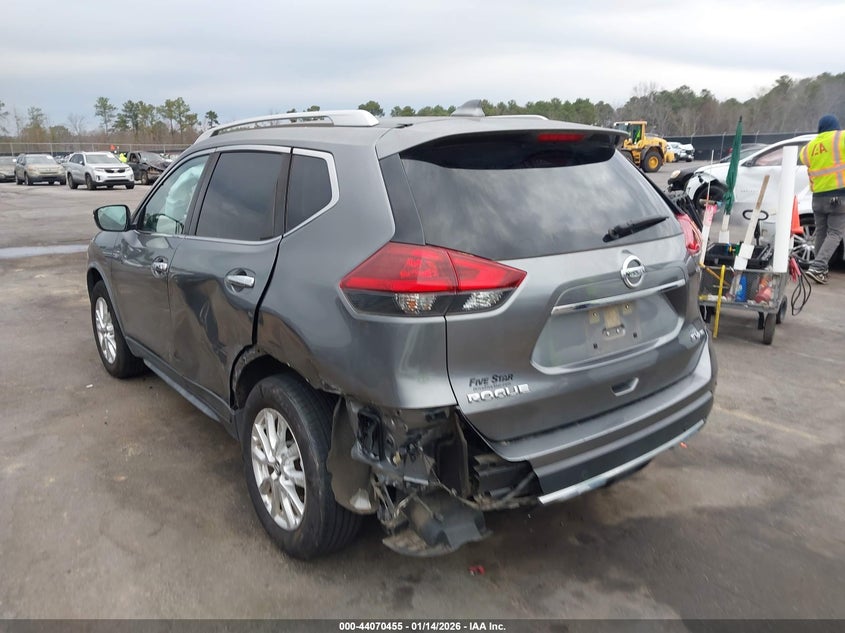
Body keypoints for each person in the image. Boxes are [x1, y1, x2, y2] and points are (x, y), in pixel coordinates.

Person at [799, 114, 845, 284]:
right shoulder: (841, 138)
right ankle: (818, 266)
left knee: (821, 233)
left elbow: (803, 159)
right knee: (835, 233)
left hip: (818, 198)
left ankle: (820, 271)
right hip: (839, 196)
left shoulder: (809, 146)